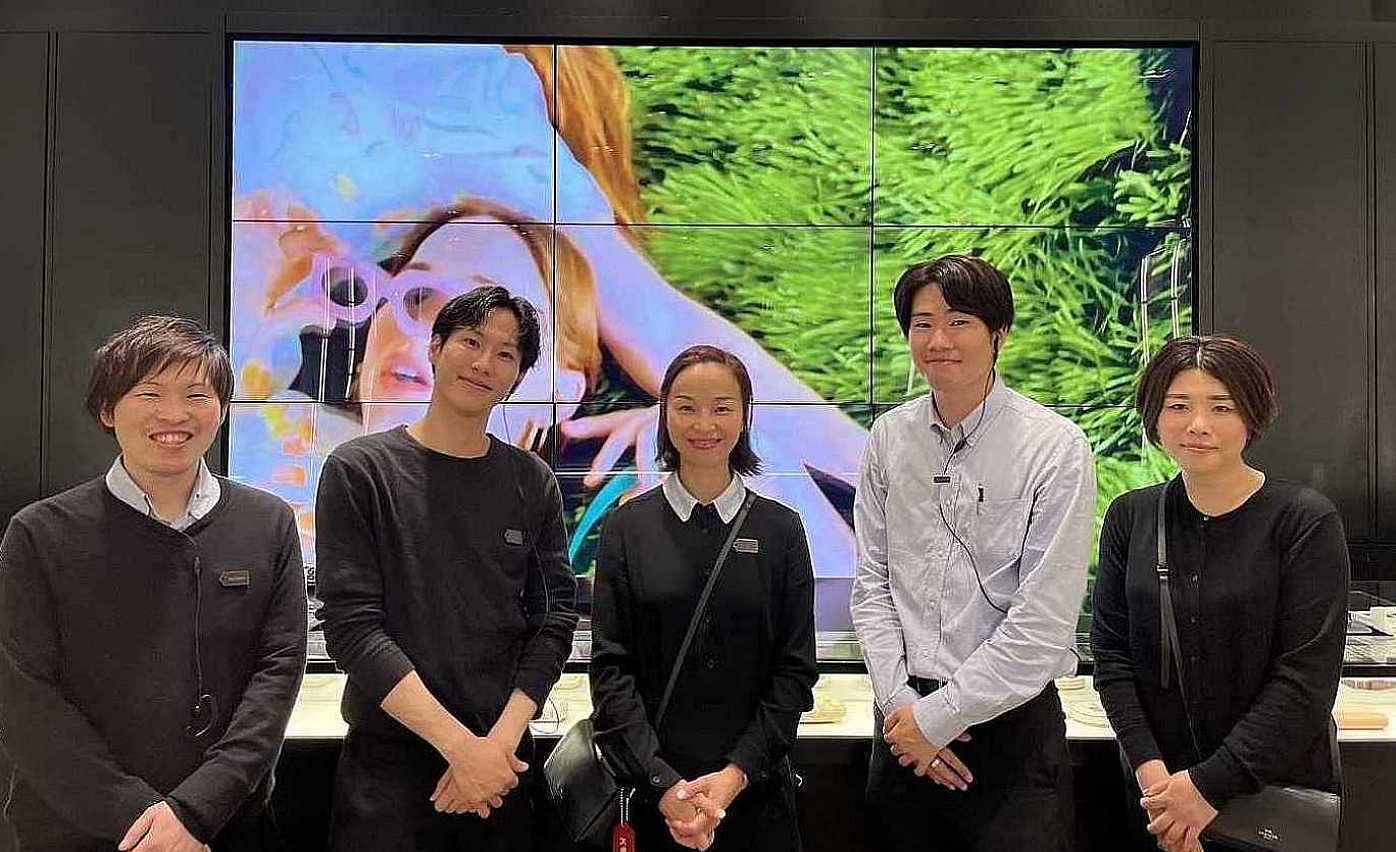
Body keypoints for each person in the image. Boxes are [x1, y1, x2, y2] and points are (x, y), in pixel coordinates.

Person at [230, 42, 863, 594]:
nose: (436, 341)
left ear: (561, 385)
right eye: (415, 299)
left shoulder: (473, 118)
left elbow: (662, 325)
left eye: (486, 319)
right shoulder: (292, 449)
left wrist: (876, 470)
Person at [0, 315, 307, 850]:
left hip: (224, 823)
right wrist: (140, 819)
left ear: (222, 410)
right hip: (77, 827)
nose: (174, 414)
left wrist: (196, 812)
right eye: (150, 393)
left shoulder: (268, 522)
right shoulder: (40, 533)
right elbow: (23, 695)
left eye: (197, 395)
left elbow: (276, 674)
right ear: (107, 408)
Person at [315, 285, 579, 851]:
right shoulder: (360, 471)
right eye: (471, 342)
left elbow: (554, 620)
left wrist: (494, 749)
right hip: (389, 771)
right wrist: (461, 750)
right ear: (435, 347)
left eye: (505, 354)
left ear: (517, 377)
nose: (484, 363)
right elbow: (353, 628)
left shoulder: (530, 481)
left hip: (502, 764)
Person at [850, 255, 1096, 852]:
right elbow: (873, 584)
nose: (938, 340)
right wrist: (902, 710)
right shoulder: (889, 437)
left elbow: (1042, 624)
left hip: (1010, 733)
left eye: (959, 322)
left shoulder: (1054, 447)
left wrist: (938, 720)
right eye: (923, 324)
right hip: (902, 722)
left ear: (998, 333)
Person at [1090, 335, 1348, 852]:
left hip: (1270, 800)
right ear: (1154, 416)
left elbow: (1305, 682)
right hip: (1157, 800)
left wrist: (1205, 788)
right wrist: (1155, 781)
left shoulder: (1304, 521)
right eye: (1178, 406)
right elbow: (1113, 658)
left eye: (1221, 407)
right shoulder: (1131, 516)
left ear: (1253, 414)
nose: (1197, 424)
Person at [588, 345, 818, 851]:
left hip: (754, 795)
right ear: (665, 413)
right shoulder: (628, 527)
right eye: (686, 407)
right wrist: (665, 785)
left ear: (745, 415)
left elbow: (795, 670)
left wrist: (734, 776)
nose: (704, 424)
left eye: (722, 408)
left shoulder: (781, 529)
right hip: (653, 799)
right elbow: (610, 668)